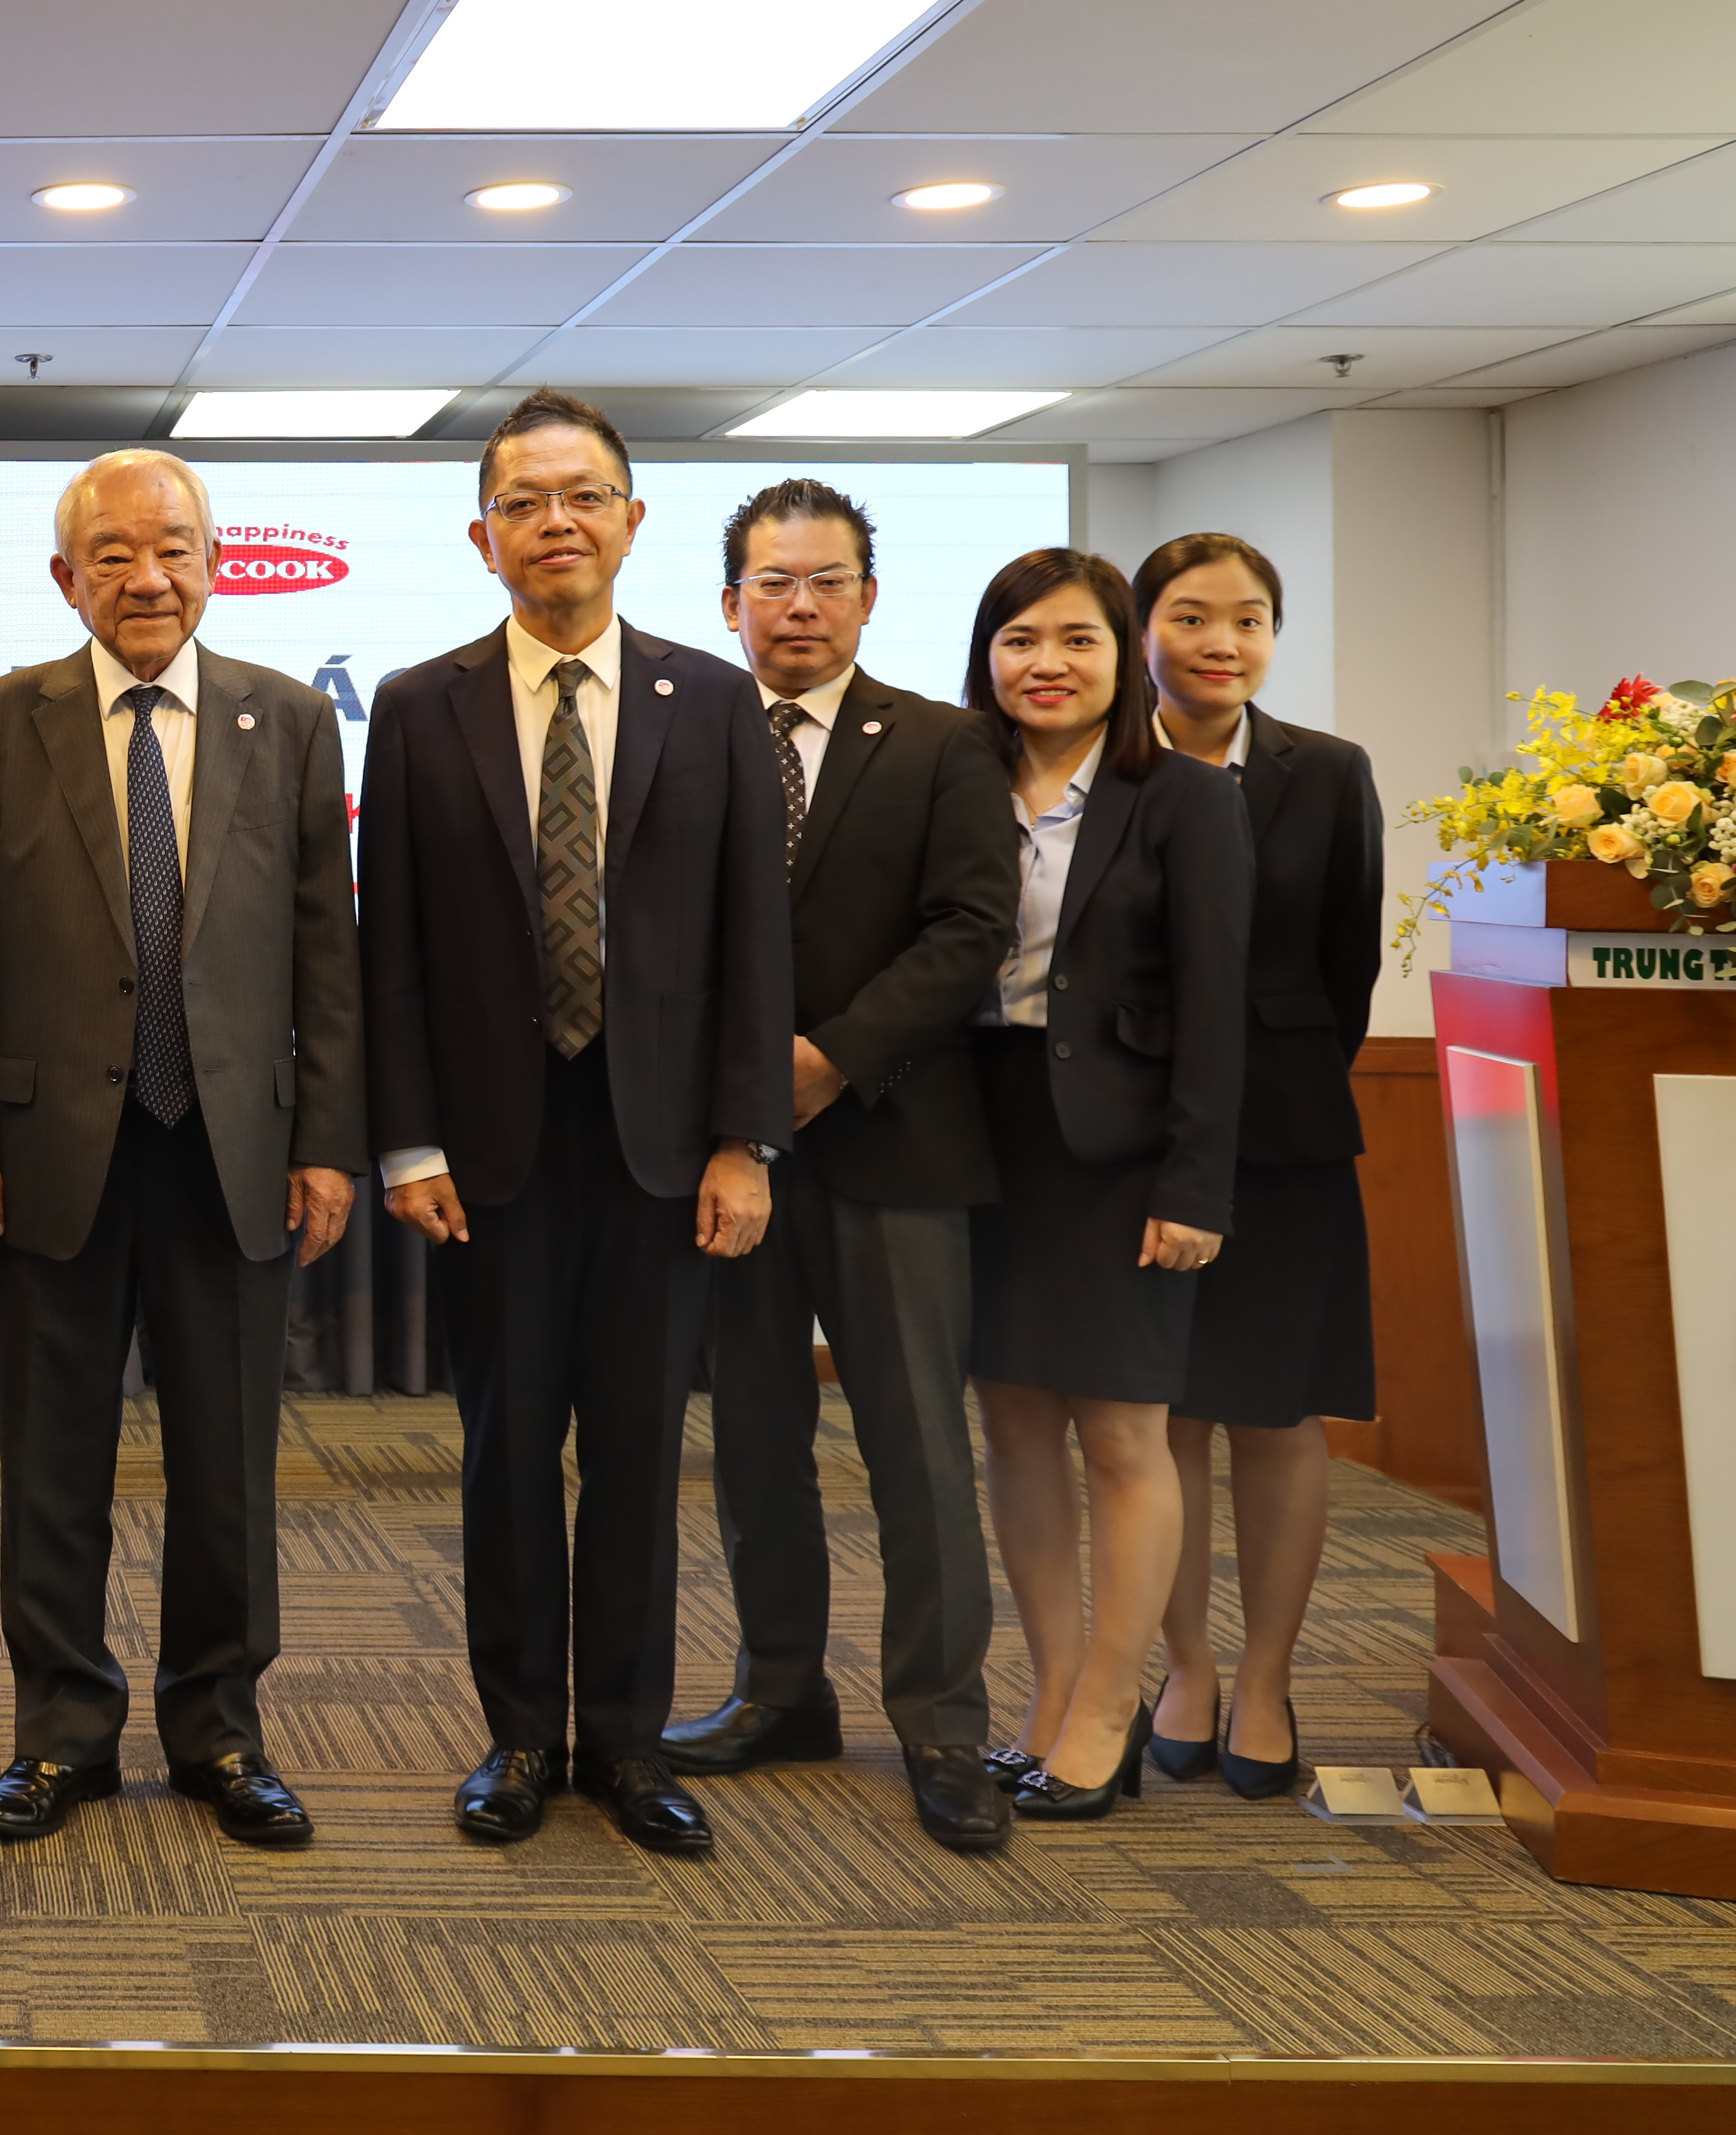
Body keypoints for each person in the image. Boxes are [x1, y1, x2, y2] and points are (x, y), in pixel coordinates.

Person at [361, 391, 793, 1859]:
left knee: (636, 1454)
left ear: (632, 520)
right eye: (524, 501)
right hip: (490, 1153)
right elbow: (390, 944)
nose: (557, 521)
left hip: (660, 1151)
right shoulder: (419, 705)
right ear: (482, 535)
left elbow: (754, 939)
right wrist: (407, 1141)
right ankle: (516, 1737)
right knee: (504, 1453)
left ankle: (622, 1739)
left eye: (584, 495)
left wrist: (744, 1138)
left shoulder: (712, 700)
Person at [0, 449, 362, 1848]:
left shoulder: (292, 720)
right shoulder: (1, 719)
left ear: (215, 562)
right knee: (53, 1463)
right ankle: (60, 1733)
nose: (146, 576)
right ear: (68, 578)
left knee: (227, 1466)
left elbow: (327, 950)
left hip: (235, 1147)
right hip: (53, 1147)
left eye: (172, 547)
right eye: (111, 554)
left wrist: (330, 1138)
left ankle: (220, 1730)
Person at [661, 480, 1023, 1854]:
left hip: (893, 1140)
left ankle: (941, 1719)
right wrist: (743, 1100)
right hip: (724, 1155)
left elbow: (970, 928)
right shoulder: (684, 739)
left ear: (869, 597)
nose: (799, 606)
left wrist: (822, 1061)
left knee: (917, 1446)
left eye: (826, 581)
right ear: (730, 603)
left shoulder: (943, 741)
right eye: (773, 582)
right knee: (757, 1439)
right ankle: (781, 1690)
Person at [959, 547, 1251, 1820]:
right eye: (1020, 639)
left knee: (1126, 1435)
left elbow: (1217, 1008)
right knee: (1015, 1426)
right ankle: (1049, 1693)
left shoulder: (1183, 798)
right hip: (982, 1139)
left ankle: (1110, 1704)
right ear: (987, 655)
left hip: (1126, 1154)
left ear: (1121, 656)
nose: (1048, 664)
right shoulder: (957, 780)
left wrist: (1196, 1184)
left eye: (1077, 639)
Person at [1135, 534, 1380, 1801]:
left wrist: (1273, 1075)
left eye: (1249, 618)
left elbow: (1349, 966)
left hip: (1286, 1137)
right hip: (1136, 1133)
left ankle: (1270, 1676)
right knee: (1162, 1414)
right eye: (1191, 616)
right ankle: (1184, 1669)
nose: (1222, 642)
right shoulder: (1104, 764)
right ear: (1143, 629)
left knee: (1278, 1415)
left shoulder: (1327, 772)